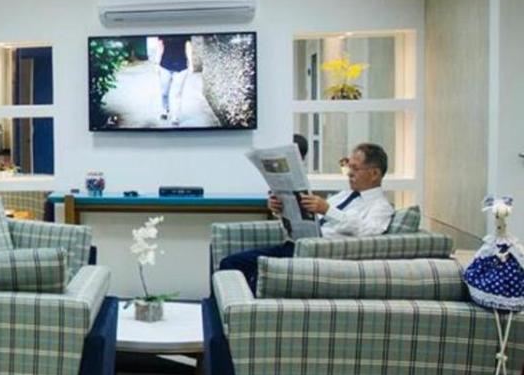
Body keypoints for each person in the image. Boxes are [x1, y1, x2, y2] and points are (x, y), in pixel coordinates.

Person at [217, 142, 395, 291]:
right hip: (296, 245)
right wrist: (280, 209)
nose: (349, 173)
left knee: (244, 269)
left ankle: (242, 316)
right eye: (348, 166)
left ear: (374, 174)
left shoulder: (381, 207)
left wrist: (328, 210)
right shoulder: (342, 196)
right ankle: (226, 317)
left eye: (355, 168)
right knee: (230, 264)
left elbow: (368, 233)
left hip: (319, 257)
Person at [156, 34, 193, 125]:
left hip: (181, 66)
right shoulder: (163, 31)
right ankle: (165, 109)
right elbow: (160, 46)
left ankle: (175, 117)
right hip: (165, 65)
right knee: (164, 92)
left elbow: (188, 47)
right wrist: (156, 63)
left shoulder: (185, 31)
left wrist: (191, 63)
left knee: (177, 93)